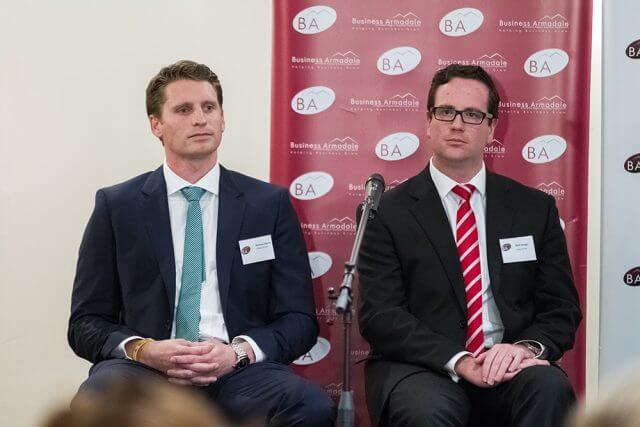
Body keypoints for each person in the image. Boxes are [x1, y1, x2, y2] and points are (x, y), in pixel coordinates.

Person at [68, 60, 334, 426]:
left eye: (209, 108)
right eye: (183, 109)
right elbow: (85, 323)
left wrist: (238, 353)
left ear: (223, 120)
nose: (200, 119)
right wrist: (146, 350)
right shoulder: (118, 206)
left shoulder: (267, 204)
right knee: (97, 399)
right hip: (146, 372)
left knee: (310, 405)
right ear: (156, 125)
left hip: (238, 372)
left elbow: (299, 320)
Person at [357, 64, 582, 427]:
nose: (457, 124)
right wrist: (459, 360)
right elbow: (382, 316)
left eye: (473, 114)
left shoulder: (534, 209)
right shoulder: (386, 212)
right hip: (422, 368)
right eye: (446, 111)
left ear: (492, 127)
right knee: (428, 413)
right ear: (428, 122)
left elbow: (561, 309)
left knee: (549, 388)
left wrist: (522, 350)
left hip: (507, 365)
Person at [43, 377, 239, 427]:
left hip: (237, 360)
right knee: (101, 386)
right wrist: (139, 348)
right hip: (135, 359)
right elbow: (86, 321)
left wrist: (240, 351)